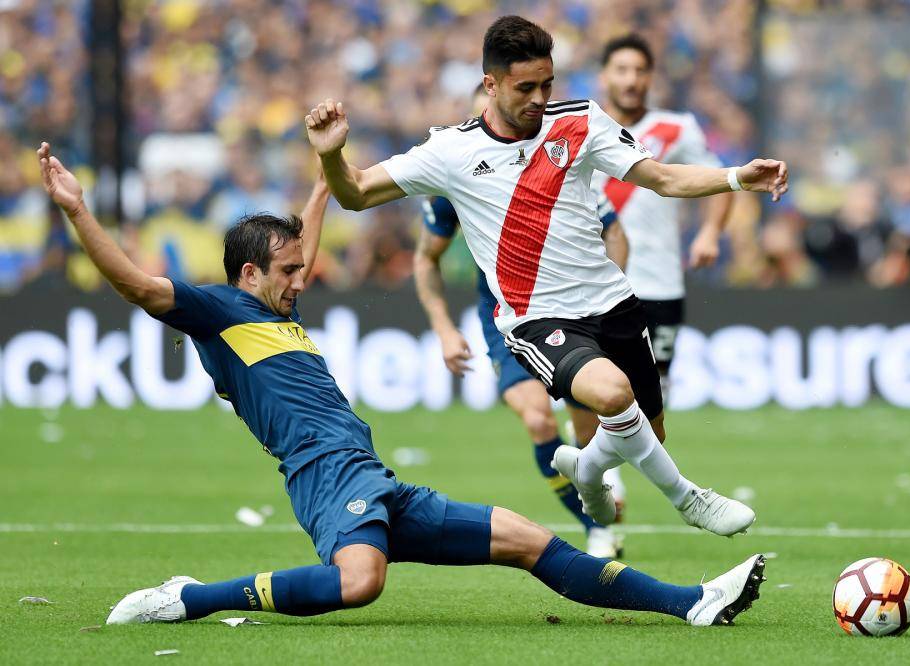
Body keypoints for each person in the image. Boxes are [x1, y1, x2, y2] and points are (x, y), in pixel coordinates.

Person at [36, 141, 766, 627]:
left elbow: (306, 238)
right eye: (287, 272)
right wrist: (76, 209)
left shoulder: (276, 307)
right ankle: (189, 599)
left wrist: (326, 163)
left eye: (300, 269)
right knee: (361, 582)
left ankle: (694, 602)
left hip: (372, 475)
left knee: (528, 539)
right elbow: (137, 285)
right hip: (325, 478)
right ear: (248, 274)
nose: (302, 280)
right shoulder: (218, 311)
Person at [308, 15, 787, 533]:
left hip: (612, 300)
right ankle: (689, 499)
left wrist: (737, 178)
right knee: (613, 395)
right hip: (537, 317)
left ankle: (587, 468)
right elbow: (356, 193)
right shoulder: (451, 151)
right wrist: (332, 155)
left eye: (547, 84)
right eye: (525, 88)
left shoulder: (581, 121)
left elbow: (664, 178)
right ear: (491, 84)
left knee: (649, 433)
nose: (539, 98)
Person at [415, 87, 629, 559]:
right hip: (505, 317)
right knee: (536, 418)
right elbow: (426, 258)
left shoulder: (557, 165)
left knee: (587, 428)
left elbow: (614, 230)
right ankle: (595, 527)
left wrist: (607, 299)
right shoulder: (457, 172)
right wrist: (444, 328)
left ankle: (599, 479)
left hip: (569, 310)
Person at [593, 34, 734, 404]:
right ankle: (592, 446)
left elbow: (719, 180)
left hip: (659, 281)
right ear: (603, 76)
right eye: (621, 70)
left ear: (650, 78)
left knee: (653, 396)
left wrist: (709, 232)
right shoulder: (582, 128)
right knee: (597, 393)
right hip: (595, 284)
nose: (631, 79)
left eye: (640, 71)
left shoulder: (677, 128)